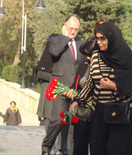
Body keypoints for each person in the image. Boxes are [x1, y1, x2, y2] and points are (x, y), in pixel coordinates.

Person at [68, 22, 132, 155]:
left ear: (112, 38)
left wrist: (115, 86)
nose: (99, 42)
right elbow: (90, 83)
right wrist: (78, 100)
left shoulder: (126, 57)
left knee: (116, 150)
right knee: (98, 150)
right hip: (99, 112)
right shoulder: (95, 56)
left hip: (120, 113)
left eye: (102, 38)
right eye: (97, 38)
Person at [41, 16, 85, 155]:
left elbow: (83, 66)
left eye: (76, 29)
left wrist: (76, 89)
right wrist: (65, 38)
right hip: (59, 87)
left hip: (74, 89)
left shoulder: (81, 44)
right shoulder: (54, 40)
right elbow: (54, 52)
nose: (73, 32)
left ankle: (66, 149)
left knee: (72, 122)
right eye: (71, 28)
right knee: (58, 120)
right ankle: (46, 146)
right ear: (65, 26)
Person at [71, 17, 108, 155]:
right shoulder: (85, 63)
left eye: (89, 56)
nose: (87, 58)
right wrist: (76, 99)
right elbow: (82, 84)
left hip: (98, 113)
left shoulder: (105, 62)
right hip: (82, 114)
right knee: (79, 148)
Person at [36, 33, 61, 155]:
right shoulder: (46, 57)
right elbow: (40, 73)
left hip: (60, 93)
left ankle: (60, 149)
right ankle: (49, 149)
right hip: (48, 93)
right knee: (48, 122)